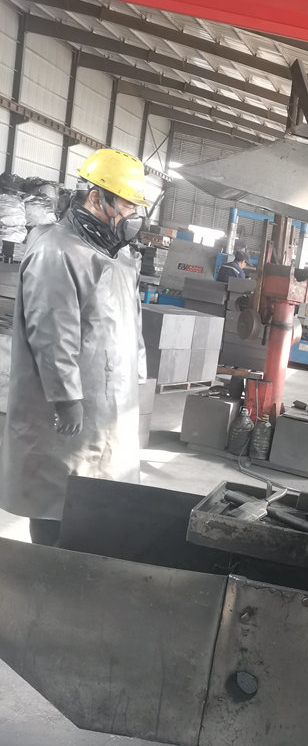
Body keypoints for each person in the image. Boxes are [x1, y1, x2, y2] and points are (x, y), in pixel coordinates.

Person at [0, 147, 148, 546]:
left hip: (108, 407)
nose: (133, 215)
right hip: (67, 412)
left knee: (97, 504)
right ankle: (49, 574)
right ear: (97, 197)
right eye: (127, 204)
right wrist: (67, 399)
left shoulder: (120, 257)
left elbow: (130, 324)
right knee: (57, 504)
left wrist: (136, 373)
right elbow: (52, 332)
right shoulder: (57, 251)